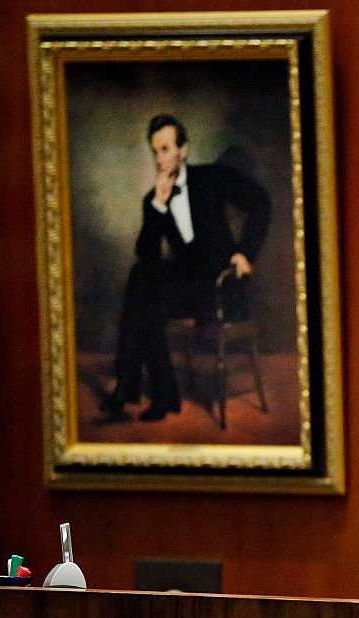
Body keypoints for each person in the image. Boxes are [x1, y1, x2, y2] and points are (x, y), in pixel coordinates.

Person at [100, 114, 271, 421]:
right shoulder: (154, 199)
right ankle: (149, 391)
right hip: (188, 287)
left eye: (166, 149)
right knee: (143, 282)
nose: (159, 158)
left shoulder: (212, 177)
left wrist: (246, 252)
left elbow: (261, 201)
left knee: (145, 297)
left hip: (222, 284)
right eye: (155, 151)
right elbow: (147, 257)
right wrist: (160, 205)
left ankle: (135, 386)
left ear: (184, 150)